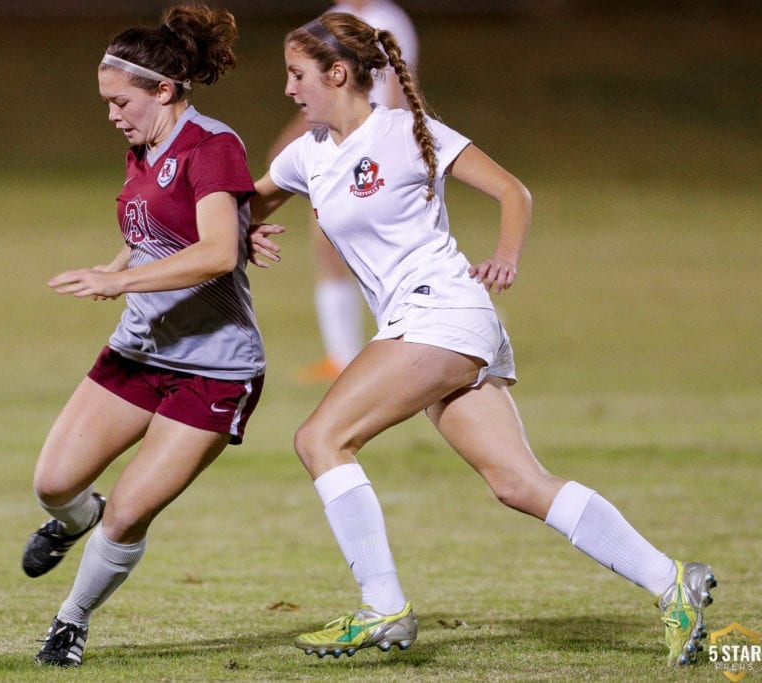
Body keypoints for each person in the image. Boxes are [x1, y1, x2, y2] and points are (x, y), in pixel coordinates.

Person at [248, 12, 715, 666]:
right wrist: (236, 229)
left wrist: (505, 256)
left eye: (298, 76)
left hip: (441, 310)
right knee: (517, 482)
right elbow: (250, 204)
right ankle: (673, 581)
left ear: (338, 72)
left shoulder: (407, 133)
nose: (290, 90)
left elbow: (510, 190)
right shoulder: (306, 154)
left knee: (321, 438)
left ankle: (383, 607)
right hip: (431, 325)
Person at [22, 4, 265, 667]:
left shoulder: (213, 146)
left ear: (164, 89)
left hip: (214, 367)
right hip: (139, 350)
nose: (111, 114)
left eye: (119, 100)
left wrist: (118, 285)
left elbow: (215, 253)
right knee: (53, 483)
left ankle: (71, 620)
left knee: (128, 513)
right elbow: (157, 233)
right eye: (105, 102)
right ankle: (77, 519)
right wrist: (118, 263)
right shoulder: (143, 148)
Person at [267, 0, 419, 383]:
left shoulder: (385, 18)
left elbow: (400, 84)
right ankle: (343, 357)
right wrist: (290, 139)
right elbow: (317, 86)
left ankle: (429, 337)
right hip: (337, 144)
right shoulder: (334, 16)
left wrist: (397, 145)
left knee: (388, 254)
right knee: (329, 248)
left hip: (368, 150)